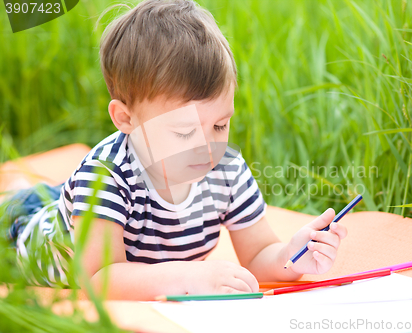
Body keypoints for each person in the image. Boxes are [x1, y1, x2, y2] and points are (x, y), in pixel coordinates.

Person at [1, 0, 347, 301]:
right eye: (184, 132)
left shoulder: (226, 169)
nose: (207, 147)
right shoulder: (105, 175)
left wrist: (294, 255)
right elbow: (98, 278)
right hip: (21, 235)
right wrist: (187, 278)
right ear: (126, 118)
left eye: (219, 125)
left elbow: (258, 253)